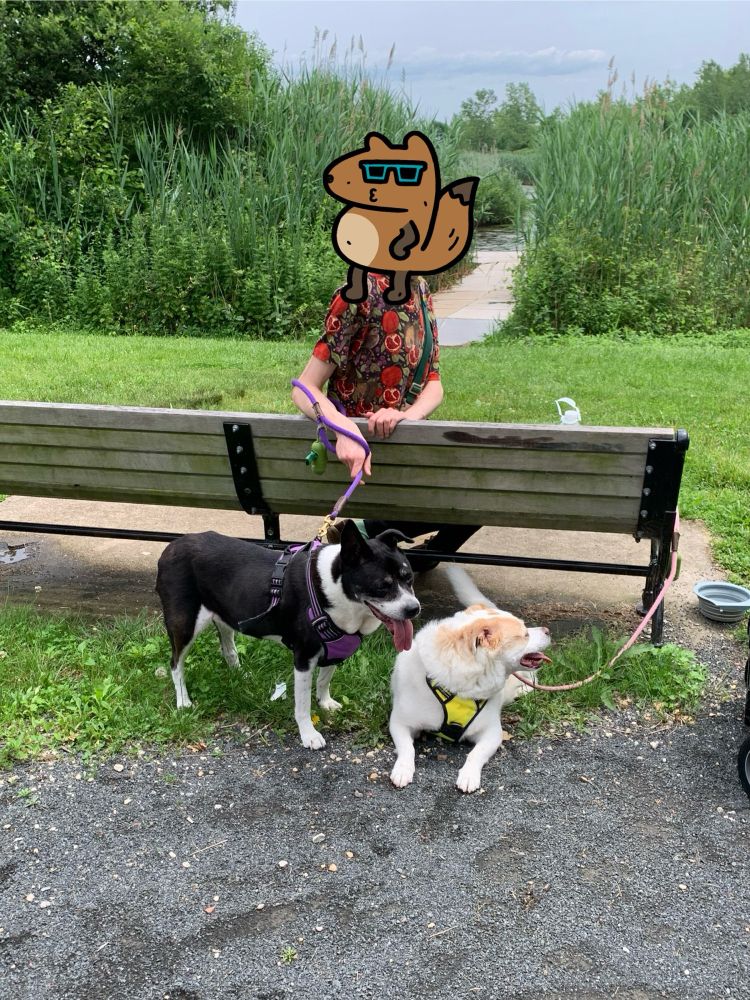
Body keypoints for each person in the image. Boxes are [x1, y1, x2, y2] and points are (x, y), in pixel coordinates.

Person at [291, 270, 479, 568]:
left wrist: (404, 416)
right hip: (361, 460)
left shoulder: (419, 287)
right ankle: (392, 541)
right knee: (481, 494)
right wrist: (346, 430)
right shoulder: (356, 295)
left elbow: (434, 382)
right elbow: (304, 388)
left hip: (398, 449)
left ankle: (405, 550)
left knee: (481, 490)